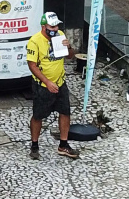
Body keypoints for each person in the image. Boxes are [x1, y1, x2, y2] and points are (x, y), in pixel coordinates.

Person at [26, 12, 79, 160]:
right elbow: (32, 65)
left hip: (60, 82)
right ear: (44, 26)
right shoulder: (34, 41)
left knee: (65, 113)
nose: (55, 29)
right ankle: (34, 145)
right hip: (42, 86)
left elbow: (69, 56)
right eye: (52, 26)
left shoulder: (60, 35)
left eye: (56, 26)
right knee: (38, 116)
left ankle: (63, 145)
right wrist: (47, 82)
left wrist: (69, 47)